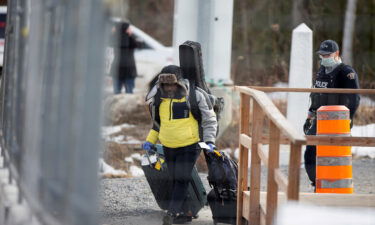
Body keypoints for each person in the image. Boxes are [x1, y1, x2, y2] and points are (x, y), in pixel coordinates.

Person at [142, 65, 217, 225]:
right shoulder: (158, 99)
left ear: (180, 82)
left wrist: (209, 141)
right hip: (169, 145)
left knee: (181, 178)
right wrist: (150, 141)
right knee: (176, 178)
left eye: (172, 84)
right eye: (165, 85)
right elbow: (157, 125)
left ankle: (172, 212)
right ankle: (186, 213)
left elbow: (209, 120)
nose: (169, 88)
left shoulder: (195, 95)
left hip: (190, 145)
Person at [303, 40, 360, 187]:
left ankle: (335, 187)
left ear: (337, 54)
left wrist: (349, 119)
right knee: (309, 153)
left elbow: (354, 98)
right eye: (322, 54)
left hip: (337, 122)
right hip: (319, 119)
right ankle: (317, 184)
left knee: (333, 157)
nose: (324, 57)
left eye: (327, 54)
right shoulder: (321, 70)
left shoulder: (347, 73)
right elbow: (315, 95)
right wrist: (310, 115)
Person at [110, 21, 139, 94]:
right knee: (128, 93)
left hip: (121, 69)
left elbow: (137, 44)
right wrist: (131, 35)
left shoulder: (116, 38)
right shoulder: (129, 39)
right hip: (126, 69)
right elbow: (138, 44)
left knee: (117, 93)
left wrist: (113, 33)